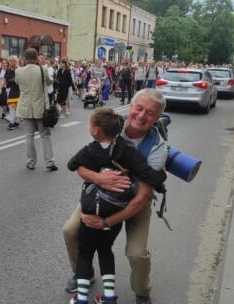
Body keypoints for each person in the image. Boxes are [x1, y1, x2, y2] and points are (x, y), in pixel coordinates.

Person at [63, 89, 169, 304]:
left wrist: (105, 222)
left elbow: (142, 197)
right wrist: (99, 179)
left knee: (136, 253)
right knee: (71, 231)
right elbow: (81, 167)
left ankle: (142, 291)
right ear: (131, 106)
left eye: (150, 113)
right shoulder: (109, 127)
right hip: (102, 195)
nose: (141, 115)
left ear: (157, 117)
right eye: (139, 108)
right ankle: (83, 273)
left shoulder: (157, 147)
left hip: (135, 201)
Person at [15, 48, 57, 171]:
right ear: (36, 59)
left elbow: (18, 84)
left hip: (25, 107)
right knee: (45, 135)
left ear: (25, 59)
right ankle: (49, 162)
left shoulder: (18, 71)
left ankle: (31, 162)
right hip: (41, 108)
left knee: (29, 136)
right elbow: (50, 82)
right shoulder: (43, 69)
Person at [0, 56, 20, 130]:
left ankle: (14, 122)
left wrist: (15, 80)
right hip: (10, 89)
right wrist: (0, 88)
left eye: (13, 61)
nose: (11, 62)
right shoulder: (8, 70)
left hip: (18, 90)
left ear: (16, 61)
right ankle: (14, 122)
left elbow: (22, 80)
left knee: (16, 107)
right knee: (11, 106)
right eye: (10, 61)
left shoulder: (19, 70)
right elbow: (4, 80)